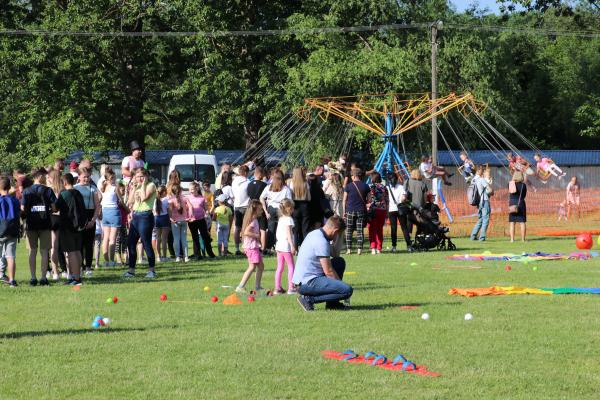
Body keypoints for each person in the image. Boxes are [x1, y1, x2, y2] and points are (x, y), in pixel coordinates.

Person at [293, 215, 352, 311]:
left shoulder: (317, 234)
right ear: (335, 231)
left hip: (304, 280)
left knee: (339, 262)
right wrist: (341, 287)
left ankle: (333, 304)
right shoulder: (321, 241)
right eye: (338, 234)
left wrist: (340, 235)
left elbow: (335, 254)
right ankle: (308, 299)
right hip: (307, 283)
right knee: (347, 290)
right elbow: (328, 271)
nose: (337, 237)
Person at [21, 168, 56, 286]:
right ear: (39, 176)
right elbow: (54, 207)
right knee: (44, 251)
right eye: (45, 176)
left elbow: (22, 208)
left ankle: (33, 277)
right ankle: (43, 277)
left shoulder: (26, 191)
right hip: (45, 224)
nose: (46, 178)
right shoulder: (48, 190)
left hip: (31, 224)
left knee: (32, 251)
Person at [124, 168, 157, 278]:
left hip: (146, 216)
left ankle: (151, 271)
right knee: (131, 243)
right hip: (136, 216)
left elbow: (143, 198)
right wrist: (133, 188)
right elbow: (130, 201)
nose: (139, 178)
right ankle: (131, 271)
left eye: (142, 176)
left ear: (146, 176)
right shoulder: (136, 186)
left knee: (146, 243)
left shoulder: (151, 185)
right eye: (137, 176)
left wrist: (143, 184)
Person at [54, 173, 85, 285]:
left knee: (71, 252)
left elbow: (55, 208)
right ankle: (77, 276)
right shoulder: (78, 193)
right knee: (77, 251)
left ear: (65, 182)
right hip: (78, 226)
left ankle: (76, 279)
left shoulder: (64, 194)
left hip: (67, 226)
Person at [75, 167, 100, 277]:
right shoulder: (75, 188)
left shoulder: (93, 188)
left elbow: (97, 206)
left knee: (89, 244)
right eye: (84, 177)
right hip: (79, 216)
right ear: (79, 177)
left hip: (90, 215)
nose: (86, 179)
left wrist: (93, 220)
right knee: (79, 243)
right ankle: (80, 266)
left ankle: (88, 267)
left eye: (88, 177)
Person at [259, 170, 293, 252]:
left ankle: (268, 248)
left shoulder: (268, 187)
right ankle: (279, 247)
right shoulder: (286, 189)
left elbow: (261, 198)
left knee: (271, 229)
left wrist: (265, 211)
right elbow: (290, 201)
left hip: (271, 209)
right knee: (281, 229)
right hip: (281, 209)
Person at [235, 200, 264, 293]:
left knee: (261, 266)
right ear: (255, 210)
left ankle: (258, 286)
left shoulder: (253, 220)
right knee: (252, 267)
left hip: (253, 246)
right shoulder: (253, 221)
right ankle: (240, 287)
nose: (262, 211)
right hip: (251, 248)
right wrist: (257, 235)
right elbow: (246, 232)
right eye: (260, 209)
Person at [343, 168, 370, 255]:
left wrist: (344, 211)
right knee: (359, 230)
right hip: (361, 210)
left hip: (350, 210)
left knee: (349, 230)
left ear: (354, 176)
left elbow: (344, 200)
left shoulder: (348, 186)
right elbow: (369, 200)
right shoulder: (366, 186)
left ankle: (349, 249)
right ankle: (359, 250)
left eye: (351, 176)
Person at [0, 176, 21, 287]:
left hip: (1, 230)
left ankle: (2, 275)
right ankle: (12, 280)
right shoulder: (15, 200)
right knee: (11, 256)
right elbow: (19, 213)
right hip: (12, 231)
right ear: (9, 187)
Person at [100, 169, 122, 267]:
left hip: (105, 212)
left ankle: (106, 261)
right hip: (114, 212)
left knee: (105, 238)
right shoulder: (115, 188)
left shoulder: (103, 188)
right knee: (112, 239)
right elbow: (121, 200)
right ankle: (112, 261)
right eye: (114, 178)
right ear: (111, 178)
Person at [187, 181, 215, 259]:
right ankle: (197, 255)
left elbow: (206, 209)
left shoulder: (202, 198)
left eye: (192, 189)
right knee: (195, 237)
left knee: (205, 236)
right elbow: (186, 209)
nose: (190, 191)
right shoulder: (187, 198)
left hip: (201, 220)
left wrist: (207, 213)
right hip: (192, 221)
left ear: (197, 189)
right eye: (189, 189)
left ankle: (210, 254)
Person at [274, 199, 296, 295]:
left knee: (280, 267)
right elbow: (288, 234)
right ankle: (291, 288)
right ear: (288, 208)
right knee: (291, 266)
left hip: (279, 245)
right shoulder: (289, 219)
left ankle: (277, 288)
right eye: (292, 208)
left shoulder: (281, 218)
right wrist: (292, 246)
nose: (293, 210)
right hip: (286, 246)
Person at [386, 173, 410, 253]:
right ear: (396, 179)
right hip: (401, 209)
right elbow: (404, 198)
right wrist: (401, 201)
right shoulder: (401, 187)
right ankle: (409, 246)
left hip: (391, 210)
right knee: (404, 228)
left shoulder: (387, 188)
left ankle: (394, 247)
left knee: (393, 229)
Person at [47, 169, 64, 280]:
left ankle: (55, 272)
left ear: (51, 178)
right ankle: (68, 271)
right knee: (64, 247)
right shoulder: (63, 190)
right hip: (63, 219)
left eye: (48, 177)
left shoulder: (49, 191)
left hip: (53, 218)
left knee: (53, 247)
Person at [169, 183, 192, 263]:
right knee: (184, 239)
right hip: (184, 220)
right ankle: (186, 257)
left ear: (172, 191)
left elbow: (170, 211)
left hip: (175, 221)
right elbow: (190, 207)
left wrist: (170, 218)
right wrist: (190, 216)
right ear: (181, 191)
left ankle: (177, 257)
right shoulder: (185, 198)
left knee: (176, 239)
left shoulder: (171, 199)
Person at [247, 166, 268, 251]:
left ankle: (255, 246)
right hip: (260, 208)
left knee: (253, 228)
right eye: (263, 174)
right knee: (263, 229)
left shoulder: (249, 184)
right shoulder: (264, 185)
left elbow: (248, 195)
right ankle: (263, 248)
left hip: (252, 208)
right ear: (260, 174)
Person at [367, 172, 388, 255]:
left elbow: (367, 198)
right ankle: (379, 248)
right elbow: (387, 199)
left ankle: (373, 248)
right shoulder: (384, 187)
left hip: (372, 210)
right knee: (379, 229)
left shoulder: (369, 186)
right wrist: (387, 210)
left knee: (372, 229)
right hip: (382, 210)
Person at [232, 165, 250, 256]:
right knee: (245, 228)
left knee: (237, 227)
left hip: (237, 206)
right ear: (246, 173)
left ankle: (237, 248)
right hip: (246, 206)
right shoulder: (248, 181)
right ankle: (245, 248)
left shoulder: (234, 181)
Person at [290, 167, 311, 246]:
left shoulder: (292, 183)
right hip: (305, 205)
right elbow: (309, 198)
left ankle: (295, 247)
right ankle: (305, 246)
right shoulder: (305, 183)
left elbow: (290, 196)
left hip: (295, 206)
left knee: (296, 229)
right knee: (305, 228)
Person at [470, 165, 492, 241]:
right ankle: (482, 237)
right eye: (482, 170)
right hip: (484, 200)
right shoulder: (481, 179)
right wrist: (492, 192)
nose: (483, 172)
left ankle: (473, 236)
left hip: (478, 202)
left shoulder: (473, 180)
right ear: (478, 170)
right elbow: (489, 190)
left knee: (481, 219)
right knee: (485, 219)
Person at [153, 185, 170, 262]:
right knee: (164, 239)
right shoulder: (166, 199)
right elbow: (169, 211)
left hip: (156, 219)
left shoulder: (154, 200)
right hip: (164, 218)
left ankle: (158, 256)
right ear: (163, 192)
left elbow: (153, 211)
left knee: (158, 238)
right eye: (166, 191)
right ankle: (164, 256)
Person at [509, 171, 527, 242]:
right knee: (522, 222)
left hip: (512, 203)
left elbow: (510, 191)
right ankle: (523, 239)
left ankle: (512, 239)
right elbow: (524, 195)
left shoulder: (510, 184)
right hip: (521, 203)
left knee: (512, 222)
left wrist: (513, 179)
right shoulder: (523, 185)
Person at [115, 181, 129, 266]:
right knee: (118, 241)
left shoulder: (122, 200)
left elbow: (128, 210)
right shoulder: (116, 201)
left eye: (124, 190)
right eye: (122, 190)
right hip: (117, 224)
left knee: (124, 241)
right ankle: (118, 259)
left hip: (123, 223)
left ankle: (126, 258)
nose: (124, 192)